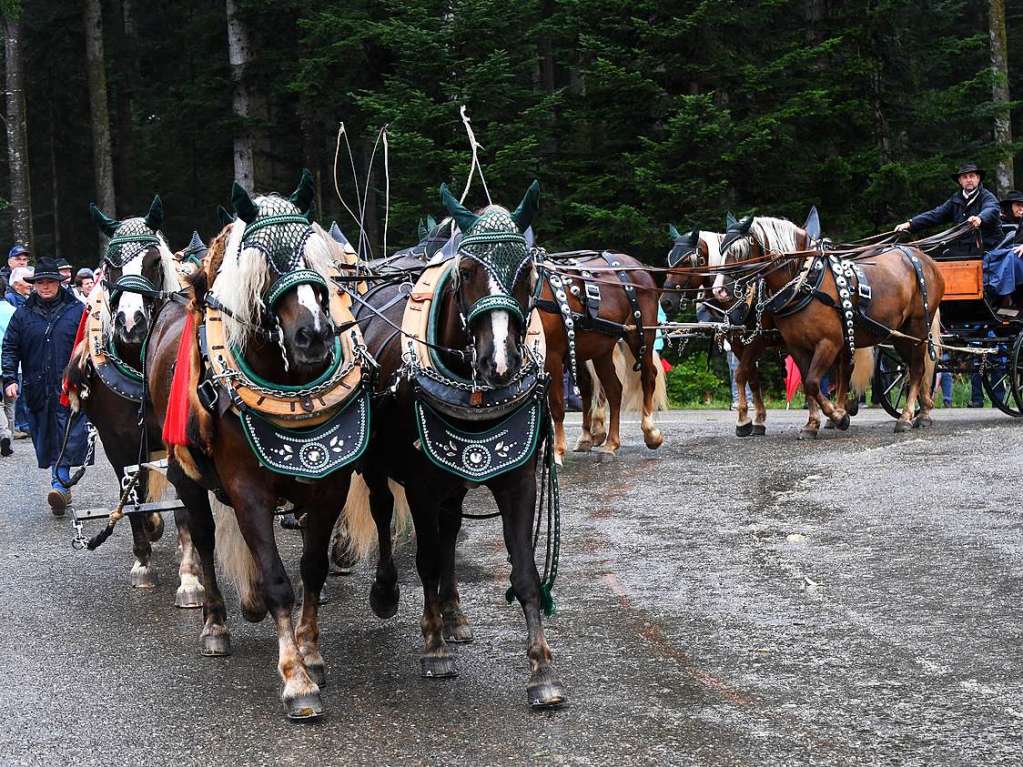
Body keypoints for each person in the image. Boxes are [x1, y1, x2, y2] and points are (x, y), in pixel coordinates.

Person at [1, 257, 90, 513]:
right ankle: (60, 484)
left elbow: (90, 345)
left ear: (59, 283)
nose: (45, 286)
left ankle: (59, 484)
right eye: (40, 282)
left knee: (68, 434)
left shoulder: (77, 310)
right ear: (34, 284)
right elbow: (10, 347)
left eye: (50, 281)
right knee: (46, 435)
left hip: (70, 386)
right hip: (37, 386)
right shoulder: (23, 314)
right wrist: (9, 379)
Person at [895, 162, 1001, 259]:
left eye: (972, 176)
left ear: (978, 178)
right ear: (960, 181)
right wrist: (910, 224)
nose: (969, 180)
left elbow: (991, 209)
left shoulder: (987, 197)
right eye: (965, 177)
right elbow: (935, 215)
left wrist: (979, 218)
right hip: (961, 250)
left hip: (986, 249)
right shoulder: (956, 199)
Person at [982, 190, 1023, 316]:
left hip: (1015, 259)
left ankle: (1004, 297)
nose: (1021, 208)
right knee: (993, 257)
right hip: (1002, 255)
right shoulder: (998, 222)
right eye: (1018, 205)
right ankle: (997, 298)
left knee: (1010, 257)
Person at [5, 266, 33, 436]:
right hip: (15, 352)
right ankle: (18, 425)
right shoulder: (11, 300)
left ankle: (18, 425)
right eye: (27, 281)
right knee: (14, 394)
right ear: (16, 284)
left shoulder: (25, 299)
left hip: (24, 352)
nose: (30, 285)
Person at [0, 280, 13, 456]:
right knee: (11, 403)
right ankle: (9, 442)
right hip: (12, 364)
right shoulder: (13, 311)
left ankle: (4, 433)